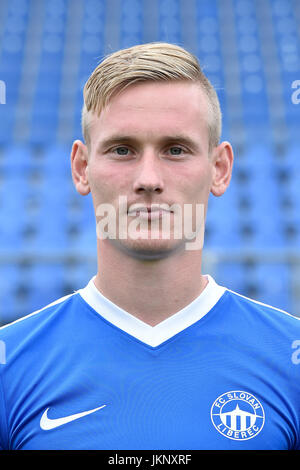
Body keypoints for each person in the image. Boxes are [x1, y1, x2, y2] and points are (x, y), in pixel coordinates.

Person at [0, 42, 300, 451]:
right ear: (81, 168)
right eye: (122, 149)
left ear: (220, 168)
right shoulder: (11, 364)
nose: (148, 178)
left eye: (175, 150)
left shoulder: (289, 359)